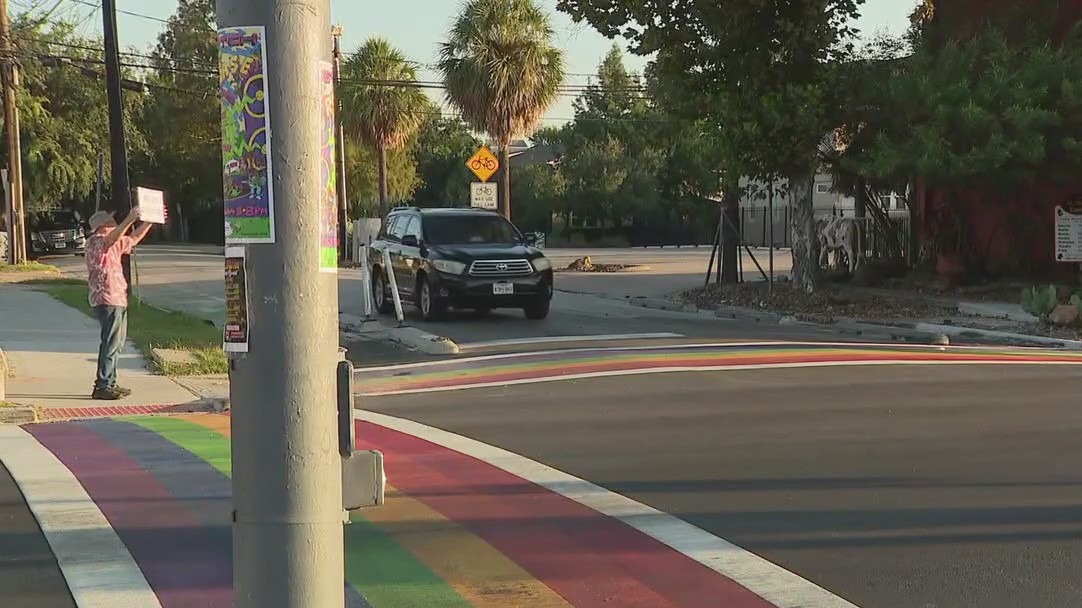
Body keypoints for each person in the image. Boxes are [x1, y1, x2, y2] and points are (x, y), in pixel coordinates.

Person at [85, 207, 153, 400]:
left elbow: (132, 239)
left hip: (117, 298)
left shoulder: (113, 242)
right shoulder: (96, 242)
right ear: (102, 226)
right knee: (110, 342)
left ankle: (110, 382)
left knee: (117, 343)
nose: (113, 222)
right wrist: (130, 218)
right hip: (106, 298)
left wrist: (149, 222)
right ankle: (103, 385)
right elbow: (112, 238)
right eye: (110, 221)